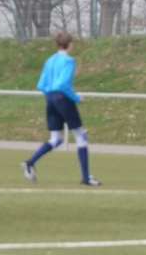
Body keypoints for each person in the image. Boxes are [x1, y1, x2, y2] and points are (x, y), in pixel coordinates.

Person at [20, 31, 101, 186]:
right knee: (80, 135)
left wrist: (52, 94)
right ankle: (86, 177)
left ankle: (30, 163)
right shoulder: (69, 61)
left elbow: (41, 85)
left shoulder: (49, 60)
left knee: (55, 139)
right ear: (69, 45)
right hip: (62, 98)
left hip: (50, 98)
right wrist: (77, 98)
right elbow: (62, 84)